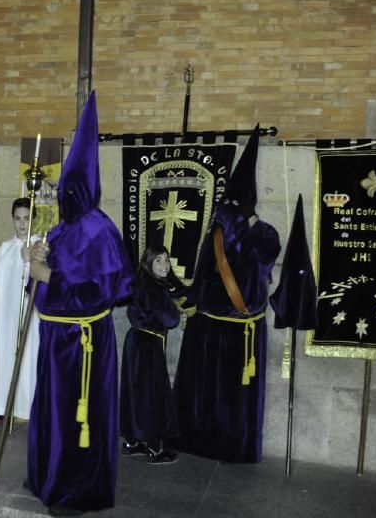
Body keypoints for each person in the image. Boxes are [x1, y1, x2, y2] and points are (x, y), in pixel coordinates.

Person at [25, 92, 133, 516]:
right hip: (56, 338)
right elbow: (50, 270)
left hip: (82, 343)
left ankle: (77, 488)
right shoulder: (66, 226)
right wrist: (37, 257)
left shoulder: (97, 229)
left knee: (77, 417)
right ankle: (47, 475)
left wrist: (48, 275)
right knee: (51, 410)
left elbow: (101, 292)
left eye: (67, 189)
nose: (60, 196)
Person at [172, 130, 281, 463]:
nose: (231, 211)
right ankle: (199, 440)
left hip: (241, 331)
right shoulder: (216, 232)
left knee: (233, 396)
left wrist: (251, 224)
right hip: (207, 326)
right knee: (203, 393)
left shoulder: (260, 233)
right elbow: (205, 271)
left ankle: (233, 446)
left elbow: (269, 251)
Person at [119, 244, 184, 464]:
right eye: (158, 260)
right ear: (148, 263)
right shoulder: (155, 287)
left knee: (134, 392)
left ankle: (131, 442)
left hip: (135, 340)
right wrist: (174, 306)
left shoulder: (141, 281)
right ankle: (155, 449)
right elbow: (171, 320)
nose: (164, 265)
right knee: (153, 395)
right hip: (148, 344)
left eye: (166, 259)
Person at [0, 197, 39, 424]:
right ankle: (4, 405)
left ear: (34, 219)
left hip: (30, 311)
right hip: (7, 311)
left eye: (27, 218)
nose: (22, 224)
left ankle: (30, 407)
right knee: (7, 354)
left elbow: (39, 279)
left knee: (29, 355)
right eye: (17, 218)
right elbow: (0, 280)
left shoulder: (41, 247)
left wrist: (28, 261)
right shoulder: (5, 249)